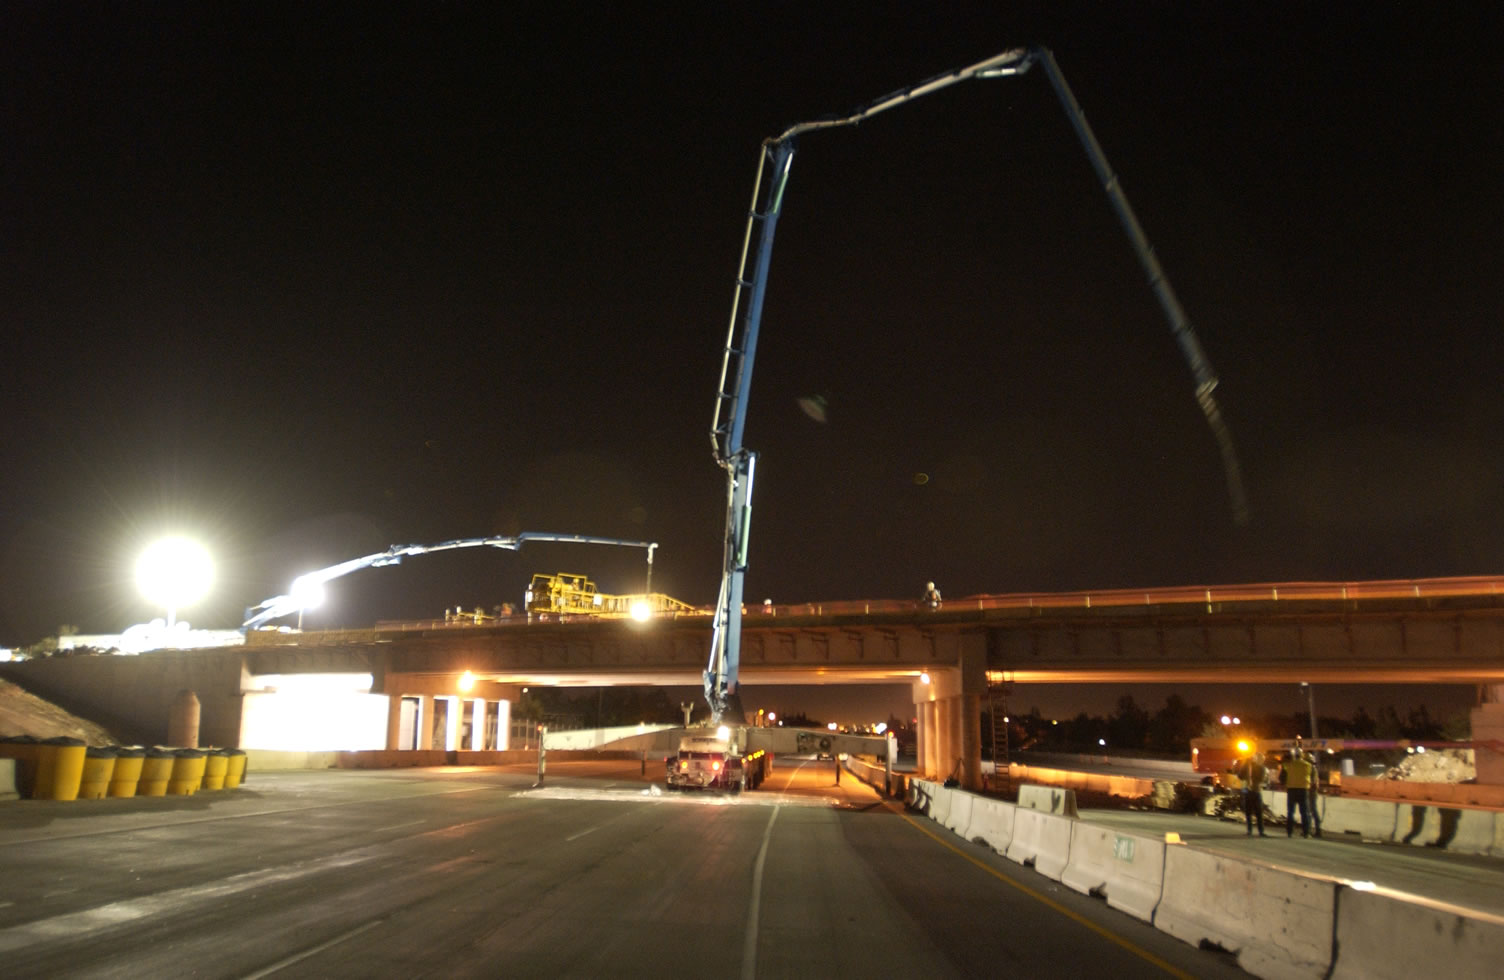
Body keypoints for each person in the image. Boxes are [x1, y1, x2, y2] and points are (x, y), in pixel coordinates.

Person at [1280, 747, 1315, 837]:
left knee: (1290, 812)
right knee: (1304, 812)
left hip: (1291, 790)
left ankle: (1289, 832)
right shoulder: (1308, 765)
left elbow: (1282, 777)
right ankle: (1306, 832)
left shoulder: (1288, 765)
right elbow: (1312, 778)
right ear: (1302, 755)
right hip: (1303, 790)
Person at [1237, 752, 1268, 836]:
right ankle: (1261, 831)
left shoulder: (1248, 767)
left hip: (1247, 790)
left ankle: (1249, 830)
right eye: (1262, 760)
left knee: (1248, 811)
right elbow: (1263, 779)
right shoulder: (1262, 768)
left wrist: (1245, 765)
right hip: (1256, 790)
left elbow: (1240, 776)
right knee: (1258, 812)